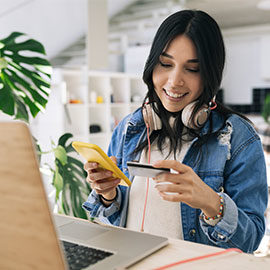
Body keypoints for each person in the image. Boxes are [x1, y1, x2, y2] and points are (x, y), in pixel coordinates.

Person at [82, 9, 268, 253]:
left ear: (210, 74)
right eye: (166, 64)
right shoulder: (131, 127)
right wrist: (107, 195)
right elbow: (116, 222)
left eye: (192, 69)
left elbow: (250, 241)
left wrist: (211, 202)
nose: (174, 80)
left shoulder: (237, 137)